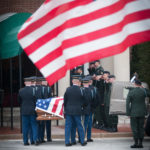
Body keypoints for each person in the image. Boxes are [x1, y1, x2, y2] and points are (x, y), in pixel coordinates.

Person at [64, 75, 87, 146]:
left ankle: (68, 141)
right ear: (78, 82)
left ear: (72, 81)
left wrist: (66, 108)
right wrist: (81, 106)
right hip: (77, 110)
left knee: (68, 126)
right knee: (79, 125)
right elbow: (85, 101)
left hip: (69, 110)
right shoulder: (81, 90)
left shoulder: (68, 89)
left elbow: (65, 100)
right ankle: (82, 141)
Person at [126, 80, 150, 148]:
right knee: (141, 128)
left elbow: (127, 103)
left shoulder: (131, 92)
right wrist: (144, 88)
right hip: (142, 113)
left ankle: (136, 143)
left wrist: (128, 113)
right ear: (140, 84)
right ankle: (141, 143)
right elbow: (149, 94)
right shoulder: (143, 91)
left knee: (134, 128)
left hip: (133, 113)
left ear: (135, 84)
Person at [18, 78, 38, 146]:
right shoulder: (34, 90)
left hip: (24, 111)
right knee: (34, 125)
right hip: (32, 110)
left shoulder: (21, 91)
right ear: (30, 82)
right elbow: (36, 100)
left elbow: (19, 101)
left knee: (25, 127)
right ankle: (35, 140)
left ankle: (25, 141)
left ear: (25, 83)